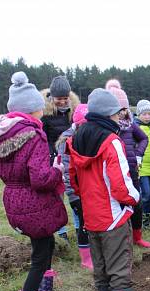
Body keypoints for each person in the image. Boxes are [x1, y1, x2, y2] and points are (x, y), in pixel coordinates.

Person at [0, 72, 67, 291]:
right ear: (33, 108)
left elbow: (8, 172)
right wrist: (57, 170)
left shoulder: (3, 134)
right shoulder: (33, 135)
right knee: (40, 255)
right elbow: (40, 178)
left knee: (45, 245)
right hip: (34, 202)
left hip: (14, 199)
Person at [66, 88, 150, 291]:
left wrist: (87, 200)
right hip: (113, 215)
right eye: (116, 113)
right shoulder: (111, 142)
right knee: (119, 264)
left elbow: (72, 178)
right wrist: (135, 198)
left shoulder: (76, 139)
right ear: (108, 115)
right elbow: (121, 183)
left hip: (90, 215)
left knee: (100, 264)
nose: (118, 117)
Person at [106, 85, 150, 248]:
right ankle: (121, 239)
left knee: (136, 202)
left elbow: (144, 138)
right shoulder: (108, 128)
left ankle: (137, 237)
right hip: (114, 173)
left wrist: (138, 154)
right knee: (119, 205)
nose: (123, 112)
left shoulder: (130, 125)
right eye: (119, 109)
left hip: (132, 171)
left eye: (124, 108)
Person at [40, 75, 80, 242]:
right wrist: (52, 157)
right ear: (52, 97)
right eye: (59, 99)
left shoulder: (74, 111)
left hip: (73, 160)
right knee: (58, 197)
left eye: (65, 98)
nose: (63, 102)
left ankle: (80, 227)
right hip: (55, 161)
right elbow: (43, 138)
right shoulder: (46, 114)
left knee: (76, 195)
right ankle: (61, 231)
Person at [55, 103, 93, 270]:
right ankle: (86, 259)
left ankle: (94, 253)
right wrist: (73, 194)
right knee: (84, 223)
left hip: (90, 190)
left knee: (90, 221)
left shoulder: (89, 136)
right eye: (82, 124)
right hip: (76, 192)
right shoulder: (67, 140)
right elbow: (67, 172)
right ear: (76, 123)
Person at [135, 99, 150, 230]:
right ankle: (142, 219)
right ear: (139, 115)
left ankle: (149, 220)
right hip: (142, 168)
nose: (147, 116)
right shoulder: (136, 128)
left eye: (149, 113)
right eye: (144, 114)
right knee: (145, 195)